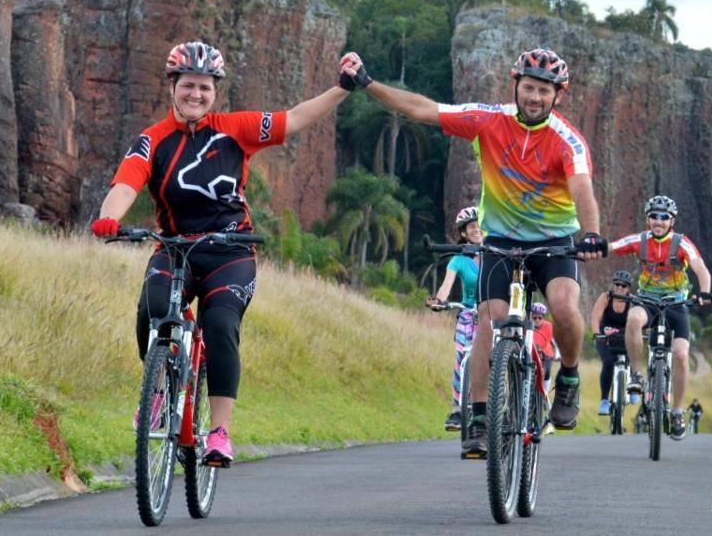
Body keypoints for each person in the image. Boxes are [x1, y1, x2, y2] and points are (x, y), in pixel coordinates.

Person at [91, 41, 353, 467]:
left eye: (205, 88)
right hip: (176, 248)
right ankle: (158, 393)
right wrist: (109, 218)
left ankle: (219, 433)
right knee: (154, 307)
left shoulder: (236, 129)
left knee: (219, 322)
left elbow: (298, 117)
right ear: (172, 86)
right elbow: (125, 183)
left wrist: (342, 87)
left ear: (216, 93)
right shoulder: (151, 140)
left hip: (231, 251)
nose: (196, 95)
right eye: (188, 86)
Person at [345, 48, 607, 458]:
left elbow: (582, 189)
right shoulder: (488, 119)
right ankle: (481, 416)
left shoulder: (567, 140)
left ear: (558, 95)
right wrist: (367, 83)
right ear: (515, 85)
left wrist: (590, 234)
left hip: (555, 241)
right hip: (500, 239)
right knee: (491, 319)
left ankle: (569, 377)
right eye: (528, 88)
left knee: (562, 304)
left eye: (543, 91)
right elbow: (423, 109)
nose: (534, 97)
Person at [607, 195, 712, 438]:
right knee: (633, 319)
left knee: (681, 355)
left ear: (672, 221)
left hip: (677, 305)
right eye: (654, 216)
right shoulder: (640, 241)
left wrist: (705, 293)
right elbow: (613, 246)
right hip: (648, 302)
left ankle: (677, 411)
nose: (658, 221)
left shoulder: (682, 243)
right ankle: (636, 375)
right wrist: (593, 246)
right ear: (647, 219)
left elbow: (700, 268)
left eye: (664, 217)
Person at [427, 206, 482, 432]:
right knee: (462, 356)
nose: (476, 230)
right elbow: (446, 287)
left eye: (480, 226)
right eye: (471, 227)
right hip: (468, 313)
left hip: (492, 314)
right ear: (464, 233)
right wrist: (439, 301)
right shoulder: (458, 260)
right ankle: (458, 409)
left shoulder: (497, 255)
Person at [590, 270, 638, 415]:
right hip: (606, 337)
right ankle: (604, 400)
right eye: (617, 284)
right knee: (609, 362)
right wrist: (597, 334)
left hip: (625, 337)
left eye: (623, 286)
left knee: (632, 357)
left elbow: (638, 323)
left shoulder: (633, 301)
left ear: (628, 288)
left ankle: (632, 386)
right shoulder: (605, 297)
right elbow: (595, 318)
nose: (619, 288)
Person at [531, 302, 561, 396]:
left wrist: (557, 355)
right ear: (531, 317)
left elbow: (554, 342)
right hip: (531, 353)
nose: (537, 320)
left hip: (546, 354)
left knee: (546, 373)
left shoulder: (549, 326)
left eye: (540, 318)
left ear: (543, 317)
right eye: (534, 318)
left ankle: (545, 394)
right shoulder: (527, 327)